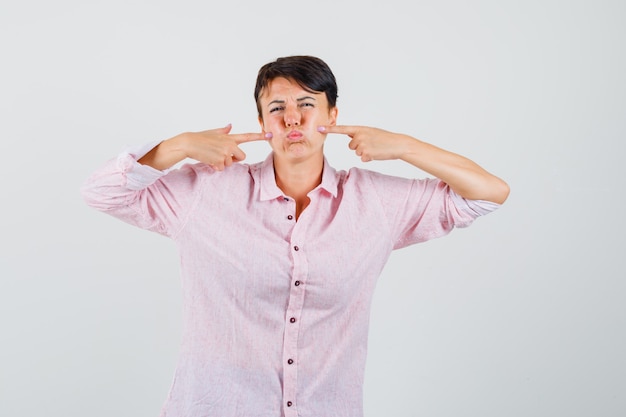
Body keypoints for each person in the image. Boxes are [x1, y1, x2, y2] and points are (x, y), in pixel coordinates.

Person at [81, 55, 509, 417]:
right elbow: (101, 193)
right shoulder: (207, 191)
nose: (292, 119)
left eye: (307, 104)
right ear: (262, 120)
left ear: (332, 116)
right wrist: (178, 146)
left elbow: (489, 194)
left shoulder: (373, 202)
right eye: (276, 108)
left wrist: (403, 146)